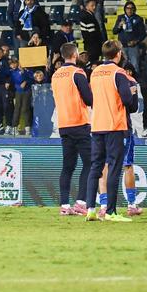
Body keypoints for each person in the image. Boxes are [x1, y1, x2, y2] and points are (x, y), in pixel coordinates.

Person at [83, 41, 138, 223]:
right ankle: (110, 211)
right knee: (114, 167)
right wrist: (133, 94)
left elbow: (91, 98)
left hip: (97, 125)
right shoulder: (119, 73)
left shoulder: (95, 72)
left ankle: (91, 209)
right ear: (119, 53)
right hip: (115, 126)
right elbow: (129, 102)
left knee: (96, 167)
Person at [52, 42, 93, 214]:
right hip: (80, 123)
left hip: (64, 124)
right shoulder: (78, 73)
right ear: (75, 55)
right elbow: (89, 99)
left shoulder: (56, 75)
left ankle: (64, 206)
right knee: (90, 163)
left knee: (68, 166)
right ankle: (81, 202)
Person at [112, 2, 146, 72]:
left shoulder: (138, 19)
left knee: (135, 65)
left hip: (133, 46)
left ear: (134, 9)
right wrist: (119, 25)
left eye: (131, 8)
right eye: (128, 8)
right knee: (122, 65)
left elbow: (143, 34)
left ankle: (135, 81)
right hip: (122, 45)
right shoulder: (120, 17)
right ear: (125, 9)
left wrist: (136, 41)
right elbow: (114, 31)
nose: (129, 10)